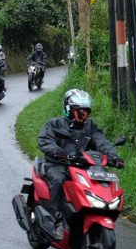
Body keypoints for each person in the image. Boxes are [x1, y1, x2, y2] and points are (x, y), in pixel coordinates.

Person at [37, 89, 124, 240]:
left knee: (101, 179)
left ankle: (95, 210)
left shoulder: (89, 126)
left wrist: (114, 157)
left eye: (86, 112)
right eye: (80, 112)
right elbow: (45, 140)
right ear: (69, 110)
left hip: (82, 165)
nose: (84, 116)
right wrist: (59, 152)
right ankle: (57, 219)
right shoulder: (55, 124)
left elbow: (101, 142)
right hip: (58, 164)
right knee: (58, 180)